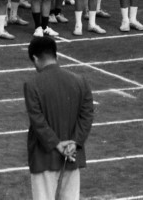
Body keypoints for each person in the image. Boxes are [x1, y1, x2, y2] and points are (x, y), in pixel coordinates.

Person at [24, 36, 94, 200]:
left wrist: (56, 143)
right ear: (56, 55)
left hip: (43, 157)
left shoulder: (32, 85)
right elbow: (87, 115)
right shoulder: (80, 81)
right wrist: (75, 142)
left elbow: (38, 121)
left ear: (35, 58)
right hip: (72, 155)